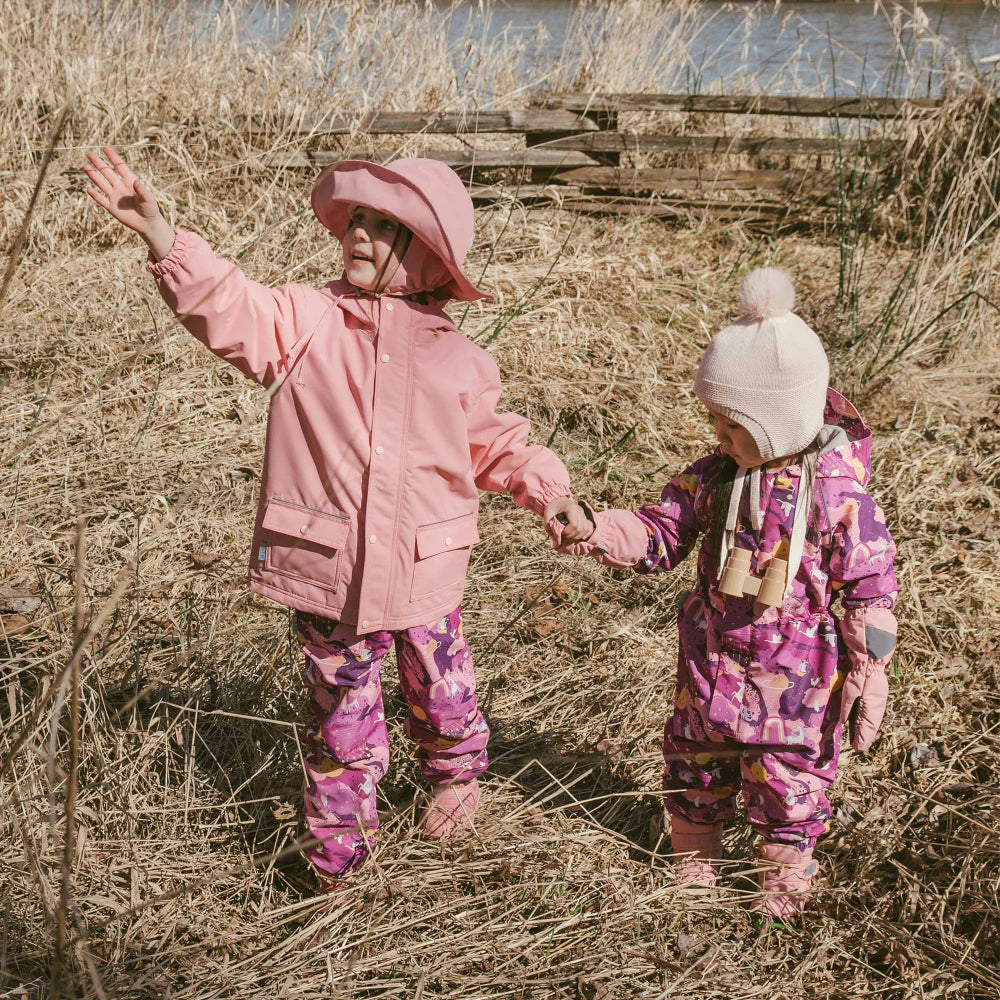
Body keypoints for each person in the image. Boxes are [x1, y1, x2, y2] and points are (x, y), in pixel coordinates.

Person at [83, 147, 592, 886]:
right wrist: (163, 235)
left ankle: (455, 774)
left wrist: (550, 493)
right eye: (357, 220)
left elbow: (499, 444)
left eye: (385, 227)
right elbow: (229, 305)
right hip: (332, 572)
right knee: (340, 720)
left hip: (423, 568)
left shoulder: (459, 359)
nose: (360, 234)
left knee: (442, 689)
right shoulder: (306, 319)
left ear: (431, 257)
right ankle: (338, 856)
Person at [552, 268, 898, 918]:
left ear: (778, 423)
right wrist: (598, 529)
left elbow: (871, 590)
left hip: (797, 690)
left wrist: (869, 666)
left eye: (732, 424)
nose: (718, 435)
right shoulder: (715, 478)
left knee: (790, 789)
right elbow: (660, 533)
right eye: (714, 419)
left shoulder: (839, 500)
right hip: (708, 673)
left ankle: (781, 882)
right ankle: (695, 865)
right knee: (694, 771)